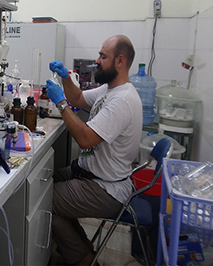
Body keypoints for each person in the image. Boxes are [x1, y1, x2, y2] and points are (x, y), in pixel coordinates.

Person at [46, 36, 143, 266]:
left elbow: (85, 139)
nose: (97, 61)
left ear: (120, 61)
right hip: (91, 174)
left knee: (43, 200)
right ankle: (83, 245)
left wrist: (61, 104)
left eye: (103, 56)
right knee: (44, 181)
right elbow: (79, 98)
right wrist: (66, 78)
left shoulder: (122, 100)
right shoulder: (110, 90)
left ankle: (84, 259)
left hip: (106, 188)